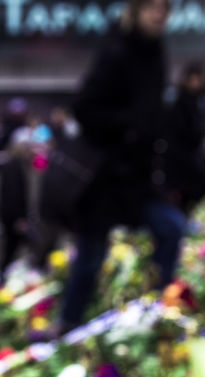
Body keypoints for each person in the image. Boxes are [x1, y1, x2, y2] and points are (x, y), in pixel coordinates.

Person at [61, 0, 186, 332]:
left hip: (138, 178)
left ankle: (155, 312)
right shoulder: (116, 50)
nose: (160, 15)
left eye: (165, 9)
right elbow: (84, 108)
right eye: (152, 8)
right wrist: (130, 126)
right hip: (104, 177)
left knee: (171, 228)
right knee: (89, 260)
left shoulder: (155, 50)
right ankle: (67, 325)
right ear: (136, 11)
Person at [165, 61, 205, 216]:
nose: (195, 84)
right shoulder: (180, 101)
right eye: (192, 80)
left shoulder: (201, 102)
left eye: (198, 80)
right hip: (182, 155)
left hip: (193, 154)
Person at [0, 139, 32, 284]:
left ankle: (3, 277)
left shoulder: (10, 166)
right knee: (12, 248)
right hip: (13, 218)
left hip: (10, 216)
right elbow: (14, 194)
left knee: (11, 248)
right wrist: (19, 218)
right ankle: (2, 278)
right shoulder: (13, 167)